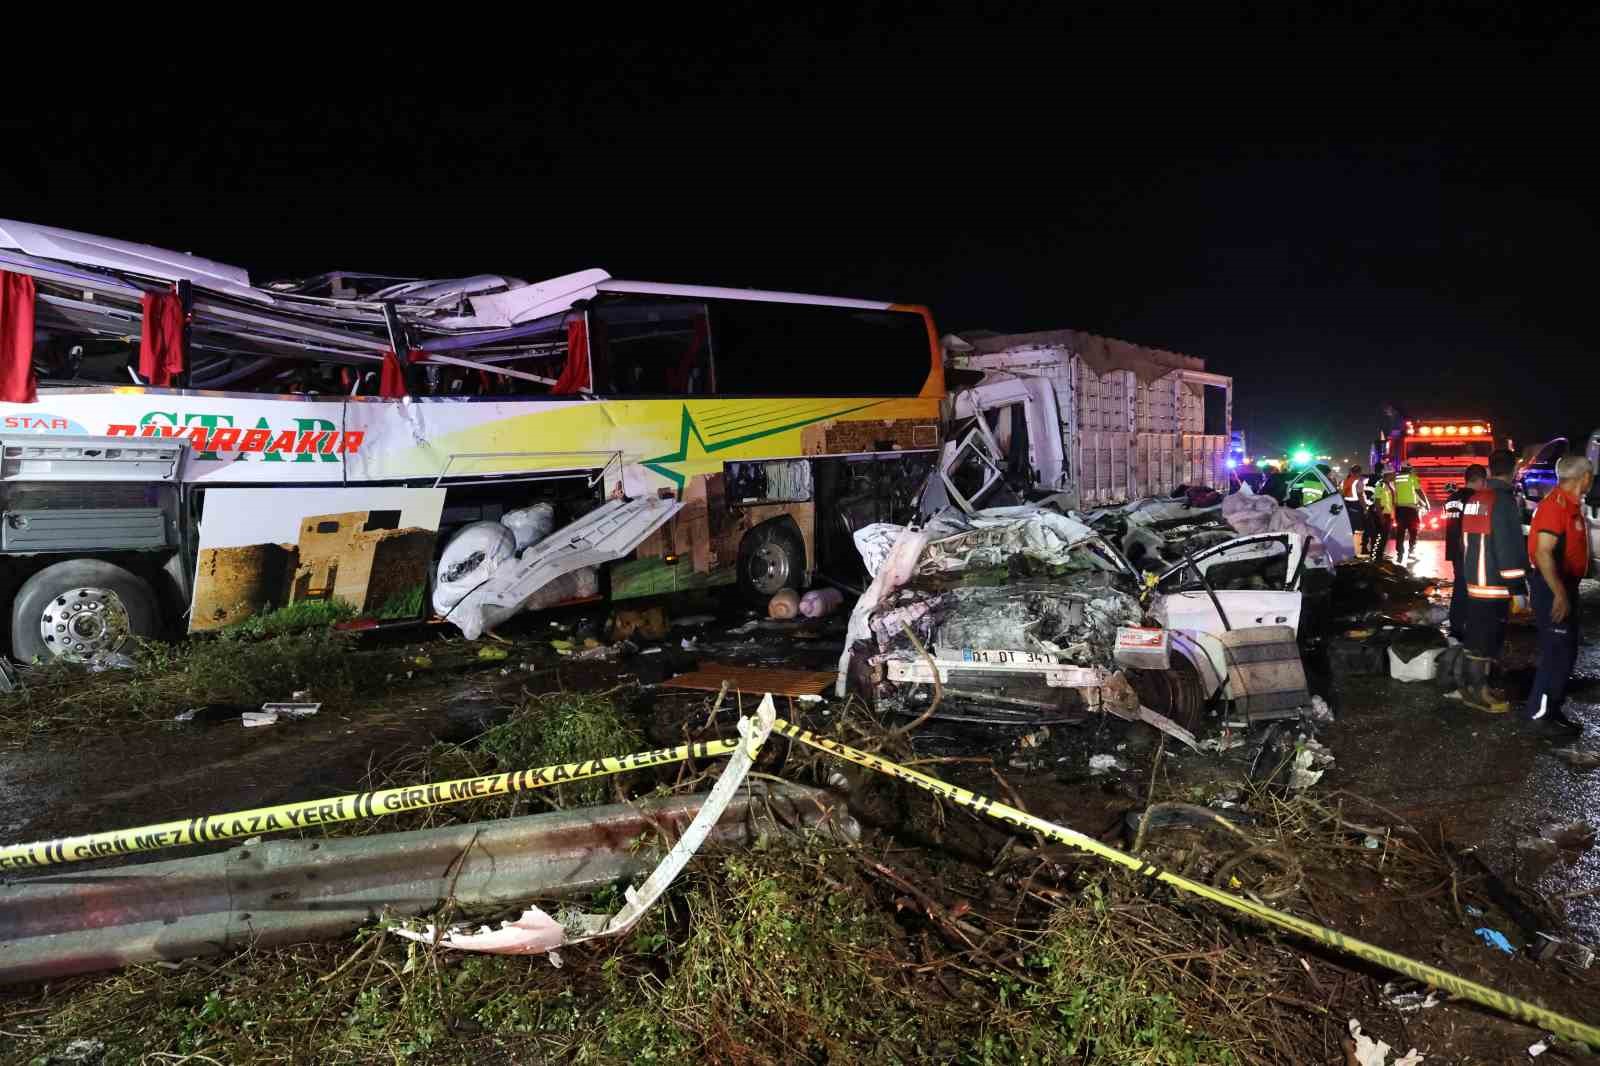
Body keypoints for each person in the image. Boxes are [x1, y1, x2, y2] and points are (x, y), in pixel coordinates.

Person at [1522, 455, 1595, 734]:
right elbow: (1542, 552)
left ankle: (1552, 710)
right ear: (1584, 477)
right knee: (1556, 653)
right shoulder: (1556, 506)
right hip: (1552, 586)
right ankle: (1538, 716)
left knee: (1566, 652)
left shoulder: (1571, 505)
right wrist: (1560, 594)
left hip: (1564, 585)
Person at [1457, 449, 1529, 713]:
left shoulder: (1477, 498)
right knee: (1486, 641)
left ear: (1489, 470)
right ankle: (1480, 692)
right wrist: (1518, 587)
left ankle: (1468, 686)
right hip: (1495, 584)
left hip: (1475, 581)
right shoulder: (1503, 501)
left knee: (1476, 636)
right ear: (1514, 470)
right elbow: (1508, 547)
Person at [1444, 465, 1487, 641]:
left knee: (1460, 586)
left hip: (1454, 548)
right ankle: (1463, 627)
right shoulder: (1476, 499)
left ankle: (1457, 623)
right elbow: (1480, 525)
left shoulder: (1451, 498)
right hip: (1468, 549)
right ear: (1481, 480)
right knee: (1467, 588)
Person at [1392, 463, 1426, 561]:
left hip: (1399, 509)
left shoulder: (1395, 478)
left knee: (1400, 531)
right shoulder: (1412, 477)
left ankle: (1400, 552)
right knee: (1413, 530)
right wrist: (1426, 503)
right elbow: (1418, 491)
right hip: (1411, 509)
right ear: (1409, 469)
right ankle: (1411, 551)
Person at [1370, 470, 1397, 562]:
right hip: (1382, 514)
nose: (1395, 475)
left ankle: (1379, 555)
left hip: (1387, 514)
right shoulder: (1380, 485)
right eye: (1393, 474)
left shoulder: (1389, 485)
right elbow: (1377, 502)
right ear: (1388, 475)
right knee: (1380, 536)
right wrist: (1381, 517)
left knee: (1385, 536)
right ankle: (1375, 556)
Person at [1341, 464, 1367, 554]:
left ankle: (1345, 549)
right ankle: (1351, 551)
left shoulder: (1346, 480)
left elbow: (1342, 493)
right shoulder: (1358, 481)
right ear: (1359, 472)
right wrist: (1365, 508)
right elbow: (1360, 496)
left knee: (1349, 528)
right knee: (1356, 528)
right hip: (1355, 505)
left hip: (1347, 505)